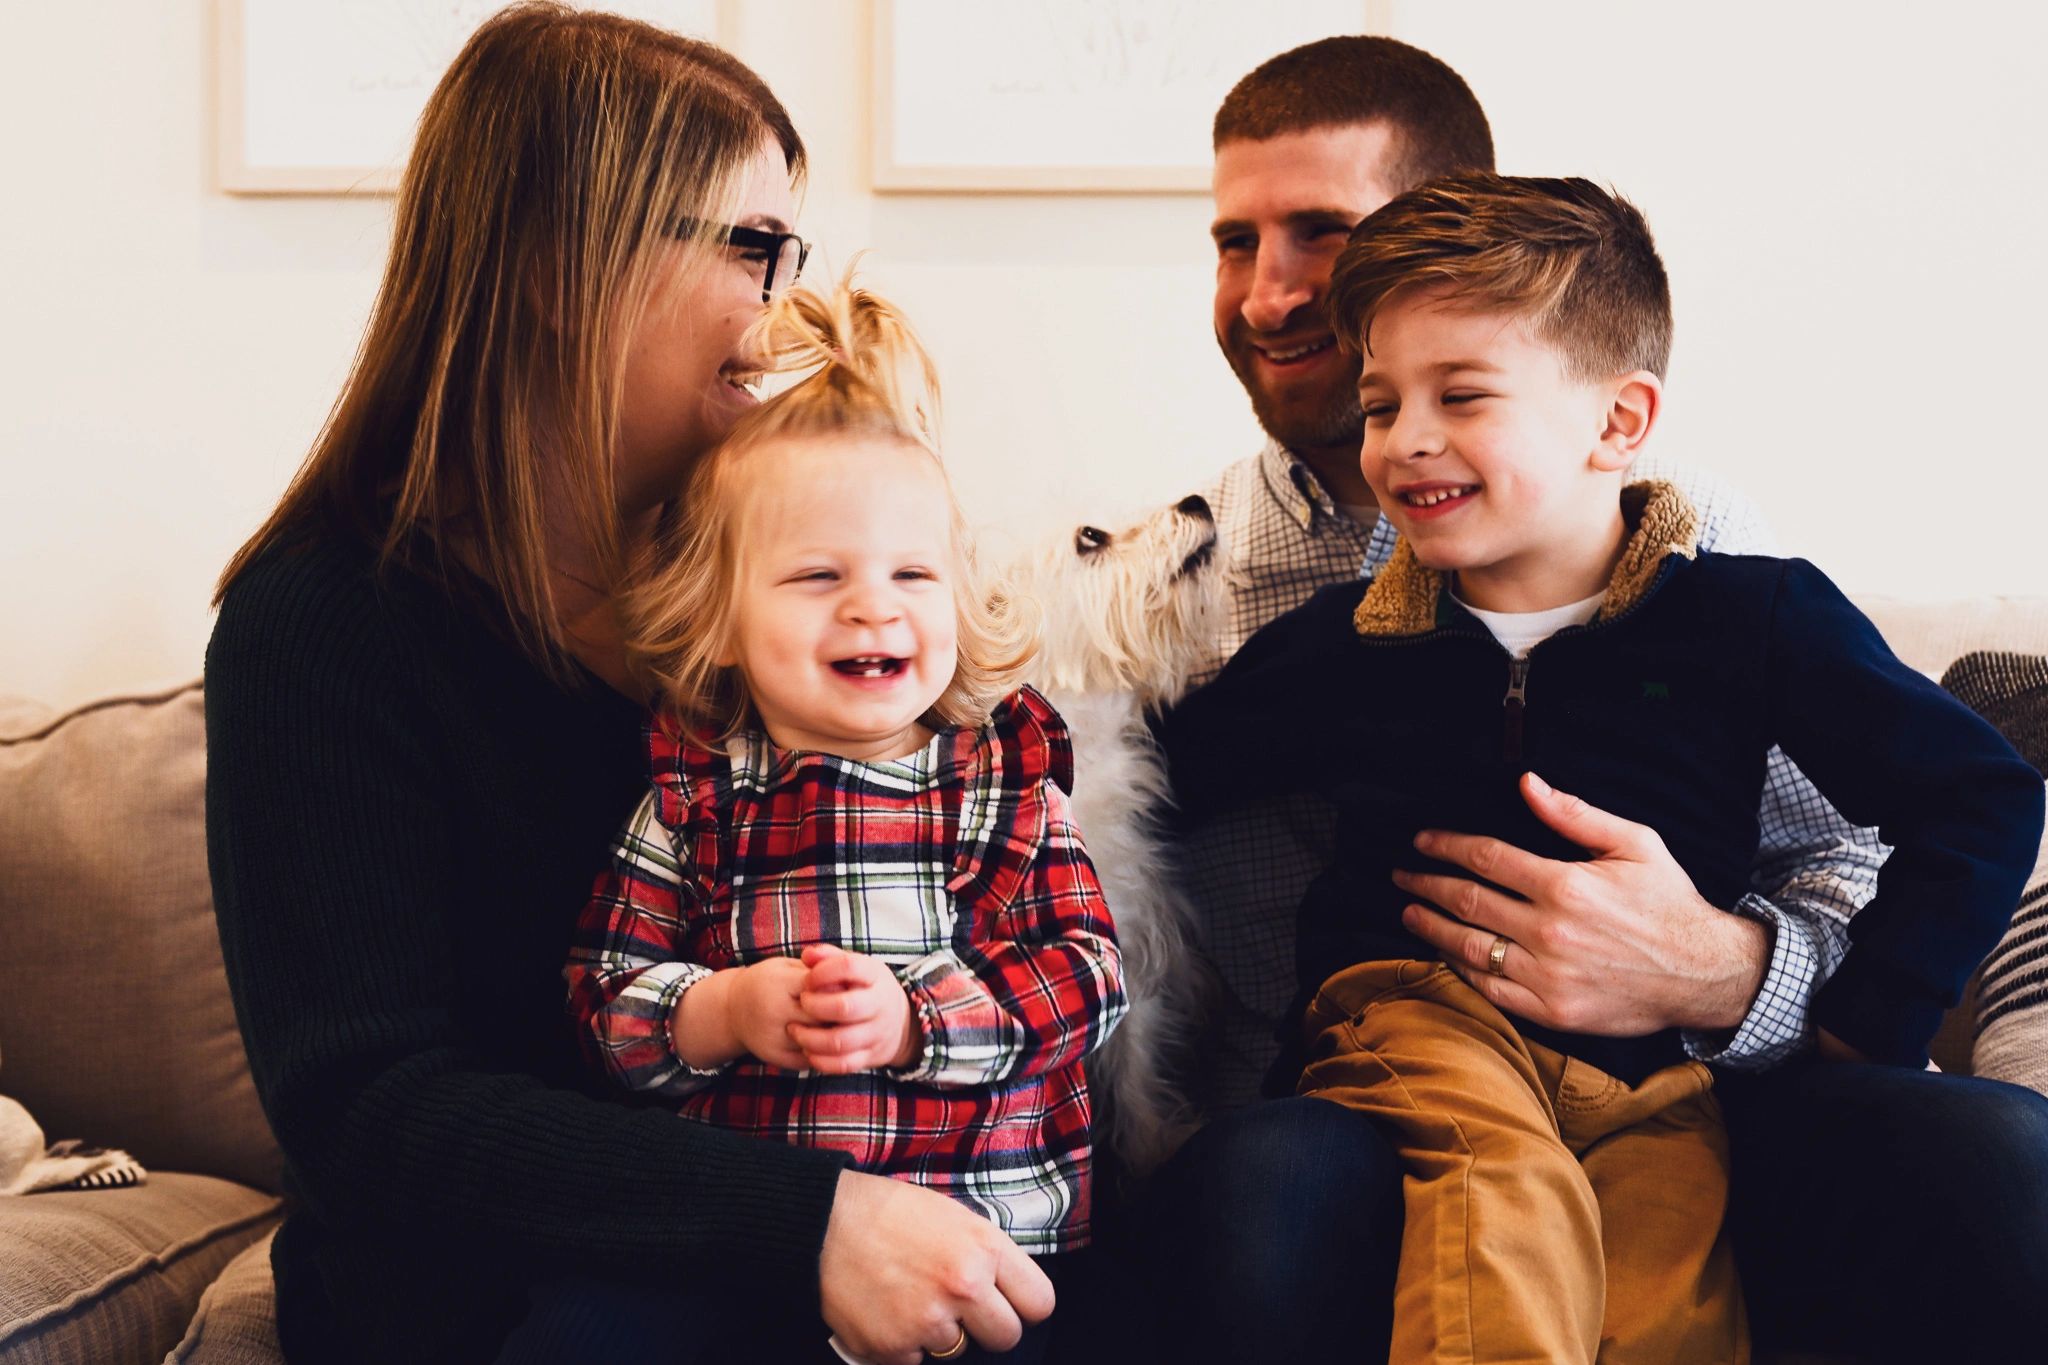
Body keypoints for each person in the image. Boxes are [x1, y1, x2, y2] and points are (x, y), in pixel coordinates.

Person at [1126, 33, 2048, 1364]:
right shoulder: (1281, 609)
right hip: (1410, 1021)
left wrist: (1835, 1015)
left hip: (1660, 1063)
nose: (1276, 295)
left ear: (1617, 424)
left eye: (1321, 233)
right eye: (1387, 403)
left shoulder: (1736, 595)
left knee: (1671, 1264)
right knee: (1499, 1198)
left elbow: (1953, 802)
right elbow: (1148, 769)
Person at [204, 9, 1054, 1363]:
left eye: (793, 252)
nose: (784, 305)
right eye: (751, 246)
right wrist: (807, 1220)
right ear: (566, 262)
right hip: (491, 1300)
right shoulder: (325, 623)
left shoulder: (781, 600)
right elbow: (371, 1107)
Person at [562, 280, 1127, 1364]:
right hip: (752, 1257)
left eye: (913, 574)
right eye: (818, 576)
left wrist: (917, 1022)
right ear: (719, 620)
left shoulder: (997, 785)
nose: (874, 606)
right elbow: (599, 1001)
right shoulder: (692, 799)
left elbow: (1088, 977)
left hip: (989, 1261)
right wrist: (721, 1011)